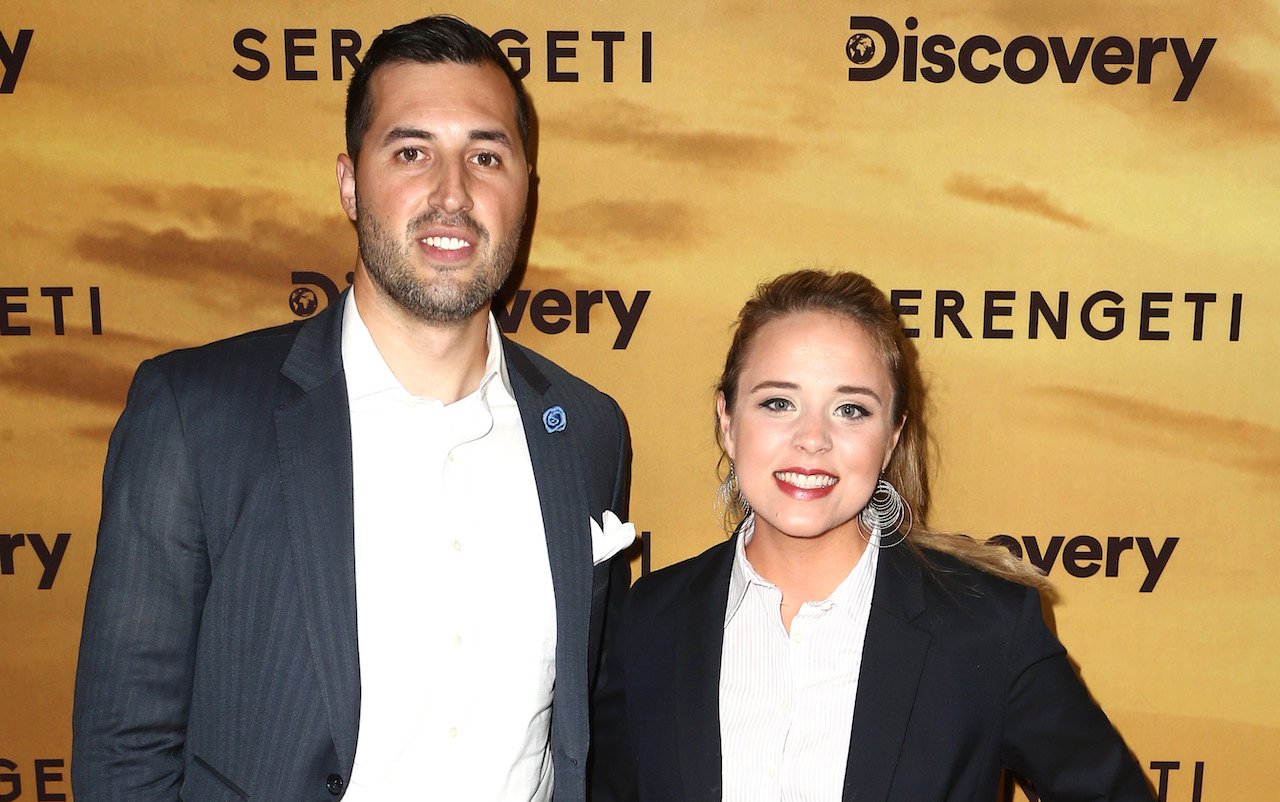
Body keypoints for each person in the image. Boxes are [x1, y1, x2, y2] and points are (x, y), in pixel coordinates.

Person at [72, 15, 631, 801]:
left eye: (485, 155)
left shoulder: (588, 430)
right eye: (411, 153)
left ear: (525, 189)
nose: (452, 194)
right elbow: (124, 754)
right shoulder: (196, 417)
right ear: (348, 183)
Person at [590, 270, 1154, 801]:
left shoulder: (987, 628)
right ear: (728, 420)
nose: (812, 438)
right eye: (778, 402)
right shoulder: (650, 620)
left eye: (851, 409)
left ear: (891, 438)